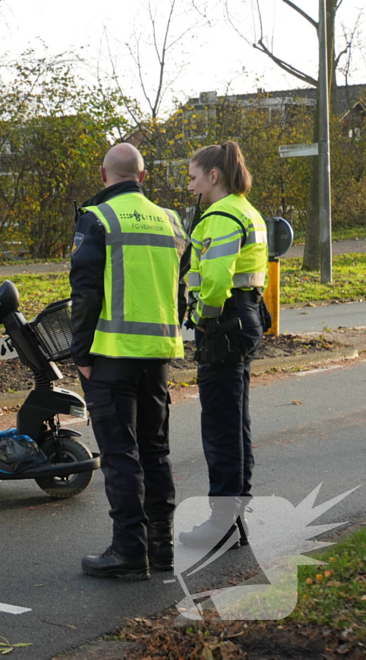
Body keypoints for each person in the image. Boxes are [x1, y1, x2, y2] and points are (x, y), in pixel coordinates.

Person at [70, 143, 188, 581]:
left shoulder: (97, 219)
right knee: (155, 452)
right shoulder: (172, 221)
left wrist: (80, 355)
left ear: (104, 174)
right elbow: (179, 292)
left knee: (120, 455)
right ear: (144, 175)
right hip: (157, 355)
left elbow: (84, 296)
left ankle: (128, 552)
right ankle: (162, 549)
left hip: (111, 356)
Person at [179, 141, 268, 550]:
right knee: (235, 422)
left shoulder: (221, 215)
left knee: (220, 426)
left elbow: (214, 281)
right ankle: (234, 520)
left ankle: (223, 524)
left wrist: (201, 318)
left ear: (214, 176)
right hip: (244, 317)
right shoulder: (246, 209)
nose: (192, 186)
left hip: (223, 323)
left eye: (194, 177)